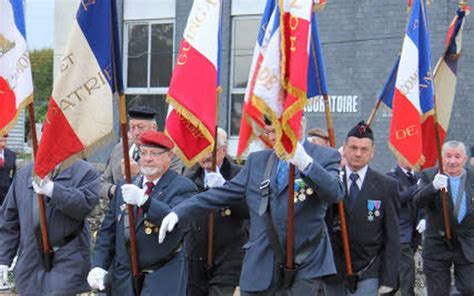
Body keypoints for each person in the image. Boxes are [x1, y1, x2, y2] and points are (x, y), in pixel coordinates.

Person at [159, 117, 344, 295]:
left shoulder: (324, 156)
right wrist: (179, 212)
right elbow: (220, 195)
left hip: (305, 263)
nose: (271, 138)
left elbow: (334, 193)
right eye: (268, 131)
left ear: (297, 124)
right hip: (262, 263)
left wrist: (307, 164)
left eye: (276, 131)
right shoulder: (258, 161)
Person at [88, 130, 197, 295]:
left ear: (170, 156)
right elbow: (108, 232)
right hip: (124, 279)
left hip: (162, 276)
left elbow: (173, 220)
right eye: (143, 152)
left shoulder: (183, 187)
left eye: (155, 153)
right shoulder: (127, 185)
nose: (147, 158)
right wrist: (98, 265)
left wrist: (144, 201)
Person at [0, 160, 100, 295]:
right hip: (30, 263)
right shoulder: (24, 175)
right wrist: (4, 259)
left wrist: (53, 190)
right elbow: (9, 222)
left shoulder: (84, 172)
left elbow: (84, 206)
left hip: (68, 260)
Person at [324, 121, 400, 296]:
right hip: (333, 269)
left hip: (369, 269)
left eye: (364, 149)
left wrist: (389, 279)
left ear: (372, 152)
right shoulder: (331, 181)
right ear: (345, 148)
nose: (358, 154)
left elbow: (392, 235)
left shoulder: (387, 186)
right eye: (353, 148)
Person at [184, 127, 247, 296]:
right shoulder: (190, 177)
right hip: (196, 260)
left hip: (229, 259)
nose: (204, 155)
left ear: (223, 151)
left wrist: (225, 189)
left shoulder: (239, 174)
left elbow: (249, 210)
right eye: (200, 149)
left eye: (209, 150)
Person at [414, 140, 474, 296]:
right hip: (437, 244)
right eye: (448, 156)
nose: (452, 161)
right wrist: (432, 187)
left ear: (465, 159)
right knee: (438, 291)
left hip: (466, 244)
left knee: (469, 288)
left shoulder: (472, 177)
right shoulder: (429, 175)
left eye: (457, 156)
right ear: (441, 157)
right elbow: (417, 201)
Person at [385, 157, 424, 296]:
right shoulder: (391, 177)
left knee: (394, 281)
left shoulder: (418, 176)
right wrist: (416, 187)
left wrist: (423, 218)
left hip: (414, 233)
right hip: (399, 234)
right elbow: (397, 198)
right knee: (408, 272)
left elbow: (421, 201)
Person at [0, 133, 16, 206]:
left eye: (5, 141)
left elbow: (14, 174)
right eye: (0, 141)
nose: (3, 144)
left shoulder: (11, 154)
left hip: (6, 194)